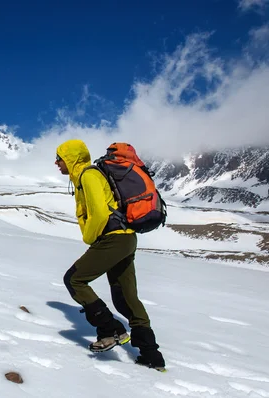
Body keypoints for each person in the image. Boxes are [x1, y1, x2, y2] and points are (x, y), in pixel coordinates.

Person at [55, 139, 165, 371]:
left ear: (71, 158)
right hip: (125, 239)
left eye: (60, 158)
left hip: (113, 238)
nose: (57, 163)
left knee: (74, 279)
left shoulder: (89, 175)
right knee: (125, 298)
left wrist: (90, 238)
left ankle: (110, 329)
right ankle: (151, 355)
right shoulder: (86, 176)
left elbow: (98, 213)